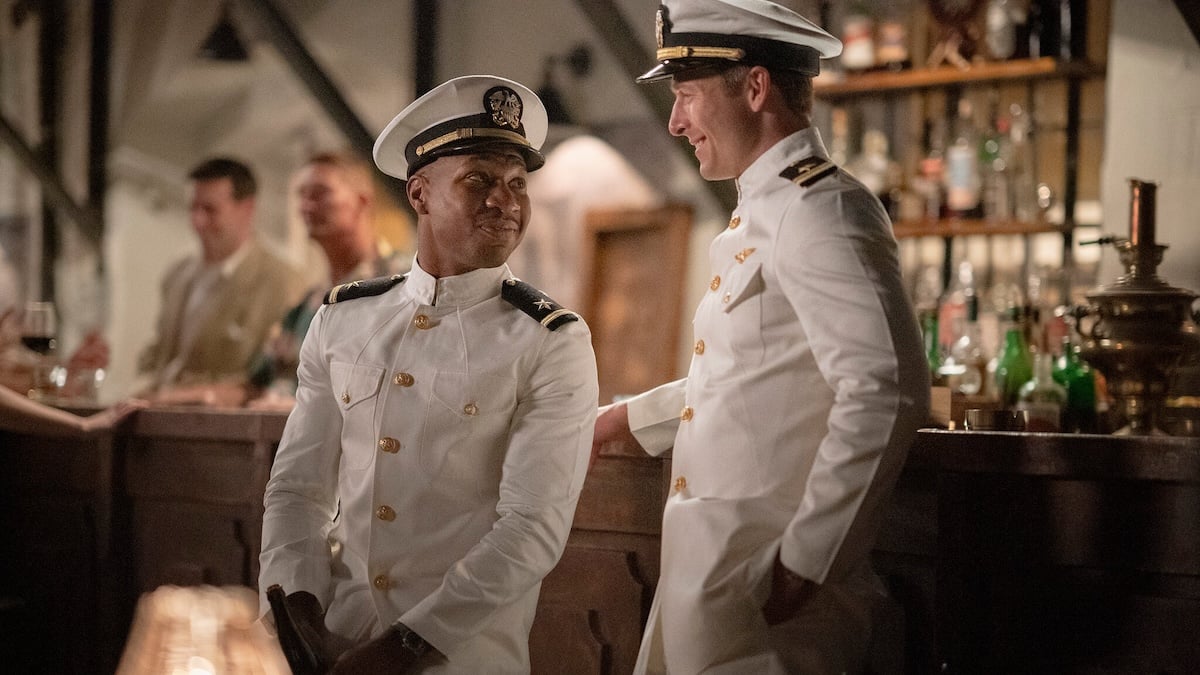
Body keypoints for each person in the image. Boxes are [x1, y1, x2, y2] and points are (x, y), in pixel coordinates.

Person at [590, 1, 931, 672]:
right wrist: (630, 415)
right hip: (717, 591)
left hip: (772, 600)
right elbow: (754, 371)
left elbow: (885, 387)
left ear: (755, 87)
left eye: (687, 94)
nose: (675, 121)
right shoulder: (764, 211)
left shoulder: (821, 208)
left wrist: (808, 559)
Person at [258, 75, 599, 674]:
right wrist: (299, 608)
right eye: (480, 181)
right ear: (419, 195)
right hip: (334, 640)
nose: (506, 202)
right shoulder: (344, 319)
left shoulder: (551, 340)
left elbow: (531, 529)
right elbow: (298, 490)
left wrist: (401, 649)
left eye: (517, 184)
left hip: (457, 657)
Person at [243, 150, 409, 409]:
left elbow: (405, 385)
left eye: (320, 193)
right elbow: (252, 385)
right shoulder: (308, 304)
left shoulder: (404, 285)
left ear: (362, 202)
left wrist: (302, 406)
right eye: (302, 195)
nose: (307, 206)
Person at [136, 157, 306, 395]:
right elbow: (161, 355)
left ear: (247, 209)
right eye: (193, 208)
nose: (198, 221)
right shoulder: (176, 274)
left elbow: (268, 378)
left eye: (209, 209)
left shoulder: (283, 282)